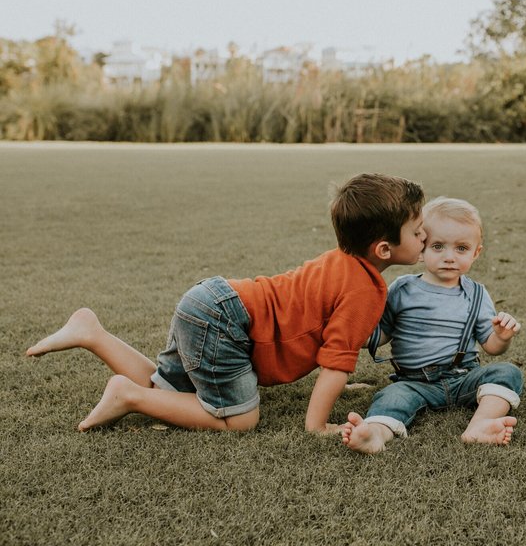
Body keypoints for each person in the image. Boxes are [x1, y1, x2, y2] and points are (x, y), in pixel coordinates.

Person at [25, 173, 426, 434]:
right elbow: (336, 363)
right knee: (240, 420)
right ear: (384, 249)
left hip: (210, 300)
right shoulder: (365, 291)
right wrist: (318, 425)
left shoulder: (340, 261)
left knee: (169, 389)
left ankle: (92, 334)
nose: (425, 235)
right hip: (226, 320)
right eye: (417, 229)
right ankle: (129, 397)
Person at [341, 196, 523, 453]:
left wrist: (502, 336)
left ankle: (480, 424)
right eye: (438, 246)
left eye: (461, 248)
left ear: (476, 252)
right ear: (421, 249)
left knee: (507, 372)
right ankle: (375, 433)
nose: (449, 257)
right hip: (414, 382)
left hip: (463, 378)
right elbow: (382, 334)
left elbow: (491, 347)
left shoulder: (477, 294)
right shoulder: (403, 289)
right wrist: (355, 331)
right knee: (392, 397)